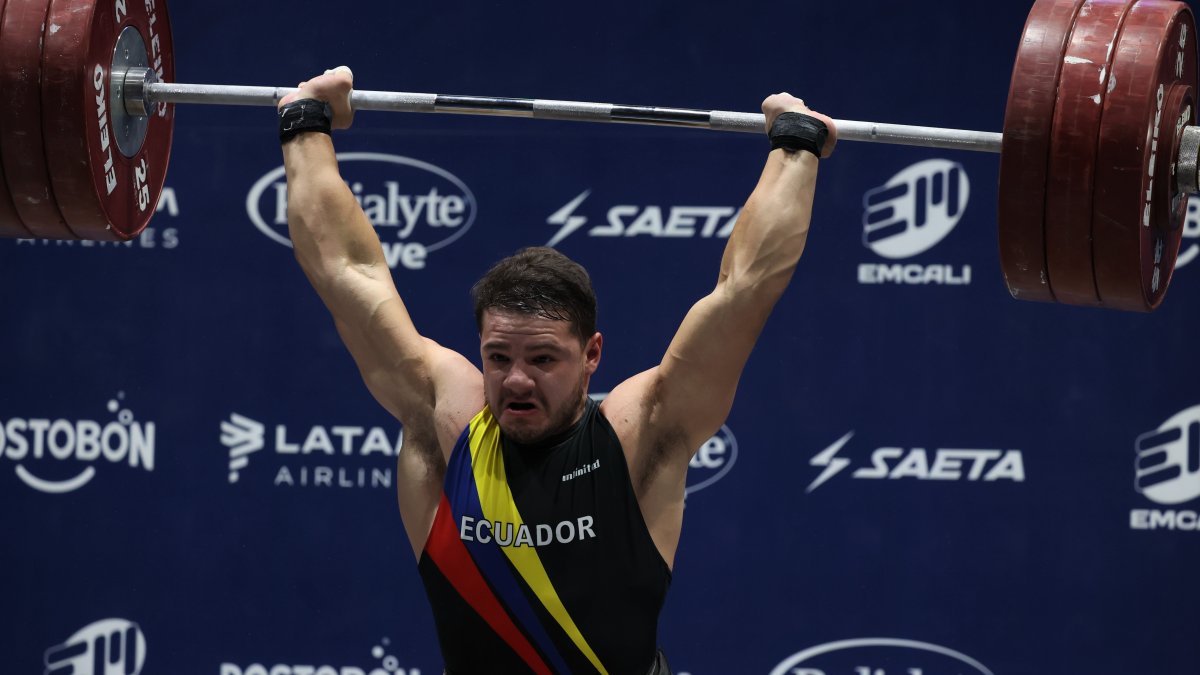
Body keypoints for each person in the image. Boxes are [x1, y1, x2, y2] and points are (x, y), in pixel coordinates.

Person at [277, 66, 836, 675]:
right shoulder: (446, 421)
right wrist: (306, 125)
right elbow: (345, 271)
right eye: (499, 358)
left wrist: (795, 146)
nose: (516, 380)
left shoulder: (636, 434)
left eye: (543, 359)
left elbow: (744, 291)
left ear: (591, 354)